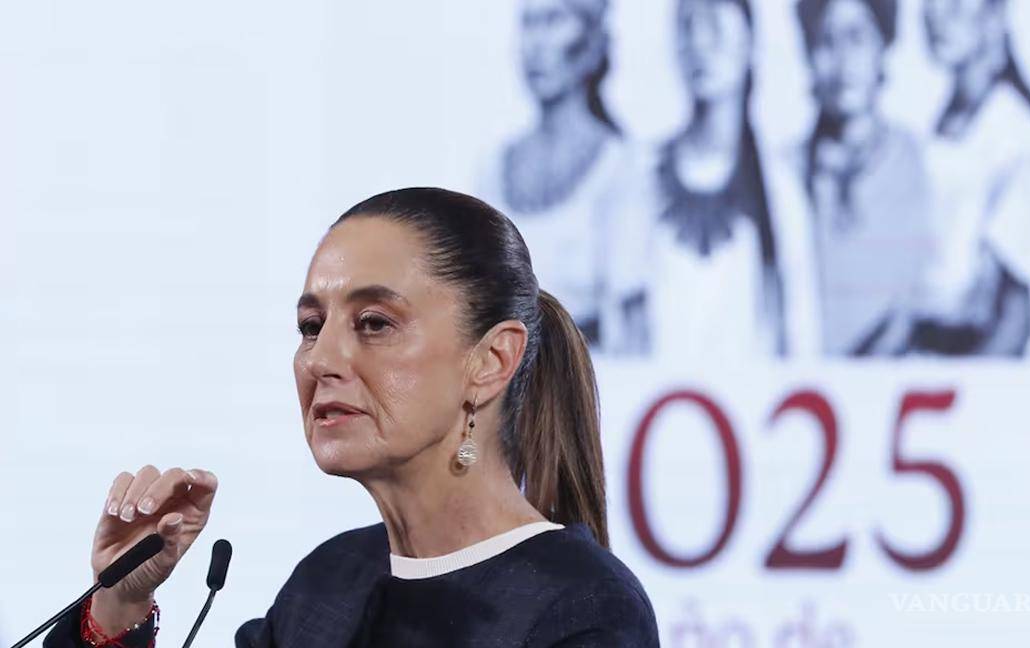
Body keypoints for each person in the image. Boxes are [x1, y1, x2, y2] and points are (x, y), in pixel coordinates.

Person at [45, 188, 660, 646]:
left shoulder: (583, 608)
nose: (321, 359)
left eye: (374, 323)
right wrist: (120, 603)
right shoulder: (327, 582)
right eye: (311, 326)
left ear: (491, 361)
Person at [605, 0, 785, 359]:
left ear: (750, 42)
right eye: (688, 27)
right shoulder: (640, 173)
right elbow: (622, 317)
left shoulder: (779, 185)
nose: (700, 44)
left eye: (715, 28)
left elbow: (797, 327)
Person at [910, 0, 1030, 356]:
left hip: (970, 358)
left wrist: (971, 383)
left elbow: (1015, 315)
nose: (936, 16)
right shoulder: (947, 122)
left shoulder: (1011, 133)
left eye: (954, 5)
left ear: (994, 16)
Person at [478, 0, 629, 348]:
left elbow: (631, 325)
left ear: (592, 42)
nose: (536, 44)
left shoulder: (623, 167)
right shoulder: (492, 168)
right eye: (528, 23)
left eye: (552, 21)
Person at [794, 0, 934, 356]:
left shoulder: (922, 165)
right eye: (826, 41)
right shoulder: (784, 175)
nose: (843, 61)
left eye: (856, 38)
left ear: (882, 46)